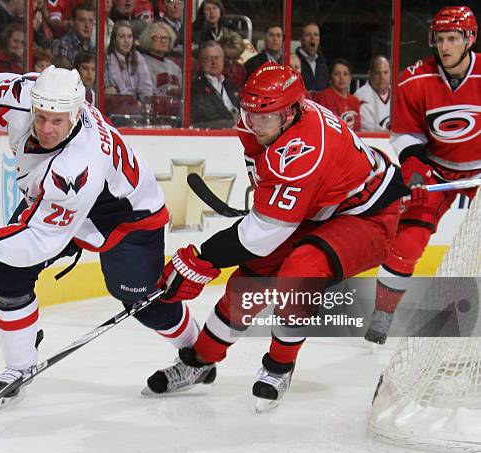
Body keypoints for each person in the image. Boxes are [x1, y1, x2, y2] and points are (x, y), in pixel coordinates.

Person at [0, 65, 202, 405]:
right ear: (33, 105)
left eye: (57, 121)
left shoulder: (77, 165)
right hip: (56, 209)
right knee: (7, 272)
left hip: (126, 218)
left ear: (76, 113)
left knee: (140, 302)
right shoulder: (25, 95)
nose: (46, 128)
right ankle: (19, 366)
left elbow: (41, 239)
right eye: (40, 118)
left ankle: (198, 353)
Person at [143, 63, 408, 412]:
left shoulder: (305, 149)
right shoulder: (262, 119)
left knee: (300, 272)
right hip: (317, 207)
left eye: (264, 117)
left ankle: (279, 366)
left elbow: (261, 235)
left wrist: (203, 258)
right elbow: (267, 196)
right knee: (248, 283)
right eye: (250, 113)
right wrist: (269, 207)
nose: (254, 124)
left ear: (291, 113)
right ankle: (199, 362)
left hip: (367, 214)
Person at [365, 6, 480, 345]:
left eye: (453, 39)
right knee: (407, 242)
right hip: (437, 169)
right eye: (440, 39)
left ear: (469, 39)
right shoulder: (416, 78)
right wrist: (415, 170)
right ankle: (383, 312)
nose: (444, 47)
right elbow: (406, 134)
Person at [190, 40, 239, 129]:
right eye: (209, 59)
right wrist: (232, 123)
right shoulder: (195, 87)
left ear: (223, 60)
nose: (214, 62)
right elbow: (206, 116)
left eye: (217, 58)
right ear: (201, 62)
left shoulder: (231, 86)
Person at [105, 20, 154, 102]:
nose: (126, 41)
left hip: (138, 107)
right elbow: (120, 89)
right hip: (119, 105)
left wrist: (145, 102)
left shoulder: (138, 57)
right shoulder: (109, 59)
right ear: (114, 40)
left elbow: (146, 87)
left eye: (129, 36)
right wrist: (133, 103)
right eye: (121, 36)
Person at [313, 58, 361, 131]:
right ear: (330, 77)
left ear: (350, 77)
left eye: (345, 74)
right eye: (337, 74)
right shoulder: (323, 97)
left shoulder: (355, 101)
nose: (341, 77)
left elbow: (358, 129)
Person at [138, 21, 182, 96]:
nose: (163, 41)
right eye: (158, 37)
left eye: (166, 38)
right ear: (148, 39)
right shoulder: (142, 63)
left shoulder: (175, 67)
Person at [354, 54, 391, 132]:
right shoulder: (361, 96)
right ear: (370, 74)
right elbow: (369, 131)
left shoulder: (398, 94)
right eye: (378, 73)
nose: (382, 77)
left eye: (386, 72)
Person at [51, 3, 95, 67]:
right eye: (82, 20)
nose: (87, 25)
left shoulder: (96, 49)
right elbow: (65, 75)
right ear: (72, 22)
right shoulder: (61, 45)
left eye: (90, 21)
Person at [295, 20, 329, 92]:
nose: (312, 38)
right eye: (308, 35)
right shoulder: (294, 61)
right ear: (301, 39)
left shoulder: (322, 62)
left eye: (316, 35)